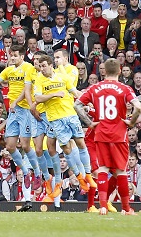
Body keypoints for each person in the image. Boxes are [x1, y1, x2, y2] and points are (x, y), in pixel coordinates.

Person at [76, 58, 141, 215]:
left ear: (104, 71)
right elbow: (139, 107)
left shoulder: (95, 88)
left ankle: (103, 207)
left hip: (101, 133)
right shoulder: (125, 88)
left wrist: (90, 122)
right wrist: (131, 122)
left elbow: (77, 105)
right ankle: (127, 209)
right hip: (119, 133)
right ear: (120, 71)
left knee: (103, 169)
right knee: (120, 170)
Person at [0, 45, 39, 211]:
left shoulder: (29, 68)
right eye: (10, 55)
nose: (11, 58)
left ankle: (36, 174)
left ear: (22, 56)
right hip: (13, 111)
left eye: (14, 56)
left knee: (26, 146)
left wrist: (16, 101)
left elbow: (27, 89)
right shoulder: (9, 70)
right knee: (10, 145)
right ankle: (27, 174)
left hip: (26, 110)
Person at [34, 53, 97, 211]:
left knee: (80, 143)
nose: (41, 69)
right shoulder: (39, 80)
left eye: (43, 66)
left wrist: (89, 103)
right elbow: (38, 98)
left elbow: (75, 92)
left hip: (70, 115)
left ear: (50, 65)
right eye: (39, 66)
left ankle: (87, 174)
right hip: (55, 119)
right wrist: (54, 94)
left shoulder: (63, 76)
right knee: (66, 149)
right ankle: (78, 176)